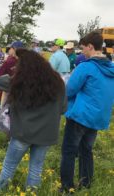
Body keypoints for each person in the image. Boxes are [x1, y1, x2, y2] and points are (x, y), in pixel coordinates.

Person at [0, 49, 66, 194]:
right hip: (46, 134)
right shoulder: (58, 82)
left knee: (9, 166)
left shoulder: (20, 82)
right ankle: (31, 192)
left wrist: (12, 72)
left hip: (23, 132)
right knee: (36, 168)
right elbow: (63, 109)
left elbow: (0, 80)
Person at [60, 31, 114, 192]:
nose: (82, 51)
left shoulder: (86, 66)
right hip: (98, 117)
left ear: (91, 46)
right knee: (86, 150)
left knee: (69, 151)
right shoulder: (111, 68)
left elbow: (69, 90)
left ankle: (67, 187)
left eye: (83, 48)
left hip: (80, 116)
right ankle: (86, 183)